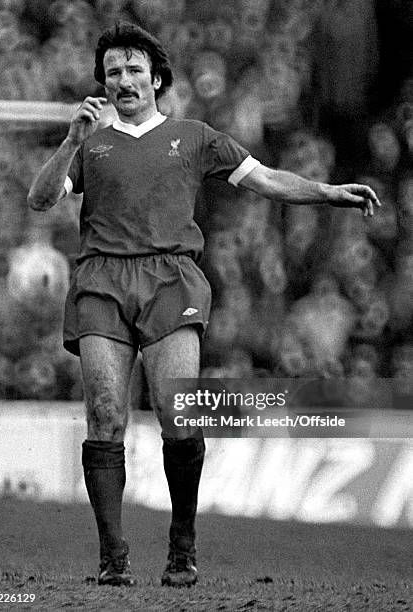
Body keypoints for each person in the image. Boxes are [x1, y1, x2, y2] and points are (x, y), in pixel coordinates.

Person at [27, 21, 381, 588]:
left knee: (177, 416)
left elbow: (266, 180)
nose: (123, 80)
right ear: (103, 82)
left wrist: (329, 192)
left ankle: (182, 545)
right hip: (101, 281)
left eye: (134, 70)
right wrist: (70, 140)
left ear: (157, 78)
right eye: (113, 72)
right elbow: (40, 200)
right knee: (105, 414)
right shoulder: (88, 142)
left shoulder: (195, 137)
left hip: (170, 279)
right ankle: (112, 557)